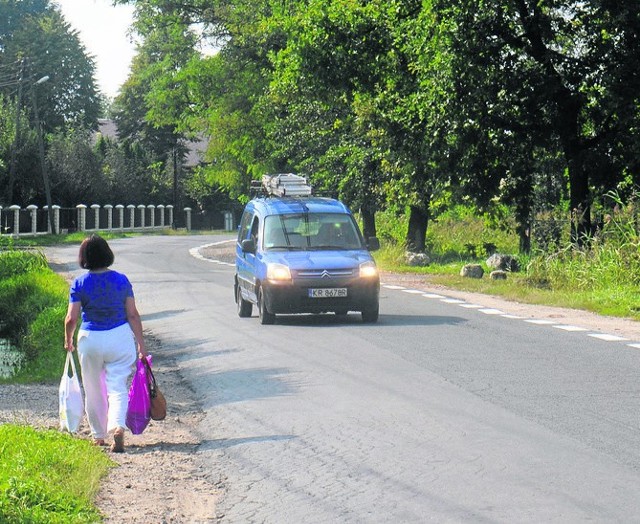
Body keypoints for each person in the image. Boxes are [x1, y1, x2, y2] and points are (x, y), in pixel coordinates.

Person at [64, 234, 147, 452]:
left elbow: (71, 318)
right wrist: (141, 344)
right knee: (117, 386)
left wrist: (68, 339)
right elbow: (133, 315)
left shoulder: (80, 283)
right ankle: (118, 426)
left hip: (90, 339)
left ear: (85, 257)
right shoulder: (122, 280)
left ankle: (98, 436)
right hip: (119, 337)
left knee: (93, 389)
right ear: (107, 253)